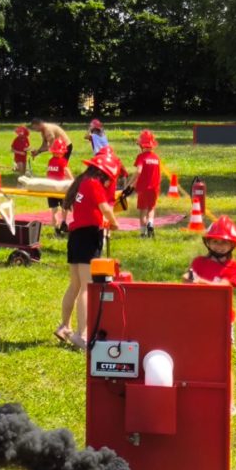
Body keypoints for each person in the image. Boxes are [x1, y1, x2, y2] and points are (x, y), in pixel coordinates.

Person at [55, 151, 121, 350]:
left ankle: (64, 326)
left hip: (76, 236)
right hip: (89, 236)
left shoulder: (83, 181)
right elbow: (105, 208)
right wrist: (115, 223)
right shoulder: (95, 183)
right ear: (104, 173)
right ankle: (81, 335)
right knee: (87, 287)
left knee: (74, 285)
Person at [183, 215, 236, 414]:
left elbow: (223, 288)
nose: (219, 246)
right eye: (215, 241)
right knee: (197, 358)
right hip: (198, 318)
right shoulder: (198, 262)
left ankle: (229, 402)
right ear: (208, 242)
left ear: (232, 245)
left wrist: (199, 281)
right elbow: (188, 283)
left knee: (223, 362)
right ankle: (198, 396)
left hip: (222, 320)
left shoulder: (233, 268)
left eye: (224, 243)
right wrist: (188, 279)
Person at [133, 130, 162, 238]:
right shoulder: (156, 158)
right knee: (151, 208)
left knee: (143, 210)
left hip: (143, 188)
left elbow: (139, 171)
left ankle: (143, 233)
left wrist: (131, 183)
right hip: (154, 188)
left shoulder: (141, 157)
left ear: (141, 145)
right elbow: (159, 174)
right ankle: (150, 222)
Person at [46, 137, 73, 237]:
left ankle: (56, 229)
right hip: (60, 189)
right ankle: (64, 223)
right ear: (63, 151)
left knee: (54, 210)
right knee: (64, 207)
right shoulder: (63, 161)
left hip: (51, 188)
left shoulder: (50, 161)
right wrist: (73, 181)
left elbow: (48, 174)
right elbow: (66, 172)